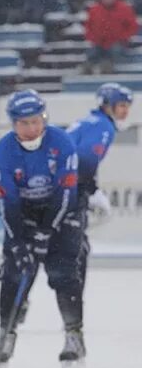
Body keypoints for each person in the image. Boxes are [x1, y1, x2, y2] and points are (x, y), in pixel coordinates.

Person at [0, 90, 82, 368]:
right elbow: (8, 202)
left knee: (62, 272)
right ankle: (6, 335)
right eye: (23, 123)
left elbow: (66, 193)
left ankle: (74, 335)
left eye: (35, 121)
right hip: (24, 212)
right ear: (13, 124)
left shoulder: (62, 143)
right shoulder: (3, 152)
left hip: (62, 211)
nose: (31, 129)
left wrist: (46, 232)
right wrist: (18, 242)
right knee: (13, 273)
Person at [61, 83, 132, 316]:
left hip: (61, 184)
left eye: (127, 106)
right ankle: (73, 311)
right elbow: (85, 159)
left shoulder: (88, 122)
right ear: (107, 105)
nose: (125, 111)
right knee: (77, 250)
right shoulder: (103, 127)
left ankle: (19, 303)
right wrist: (91, 190)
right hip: (66, 189)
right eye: (121, 105)